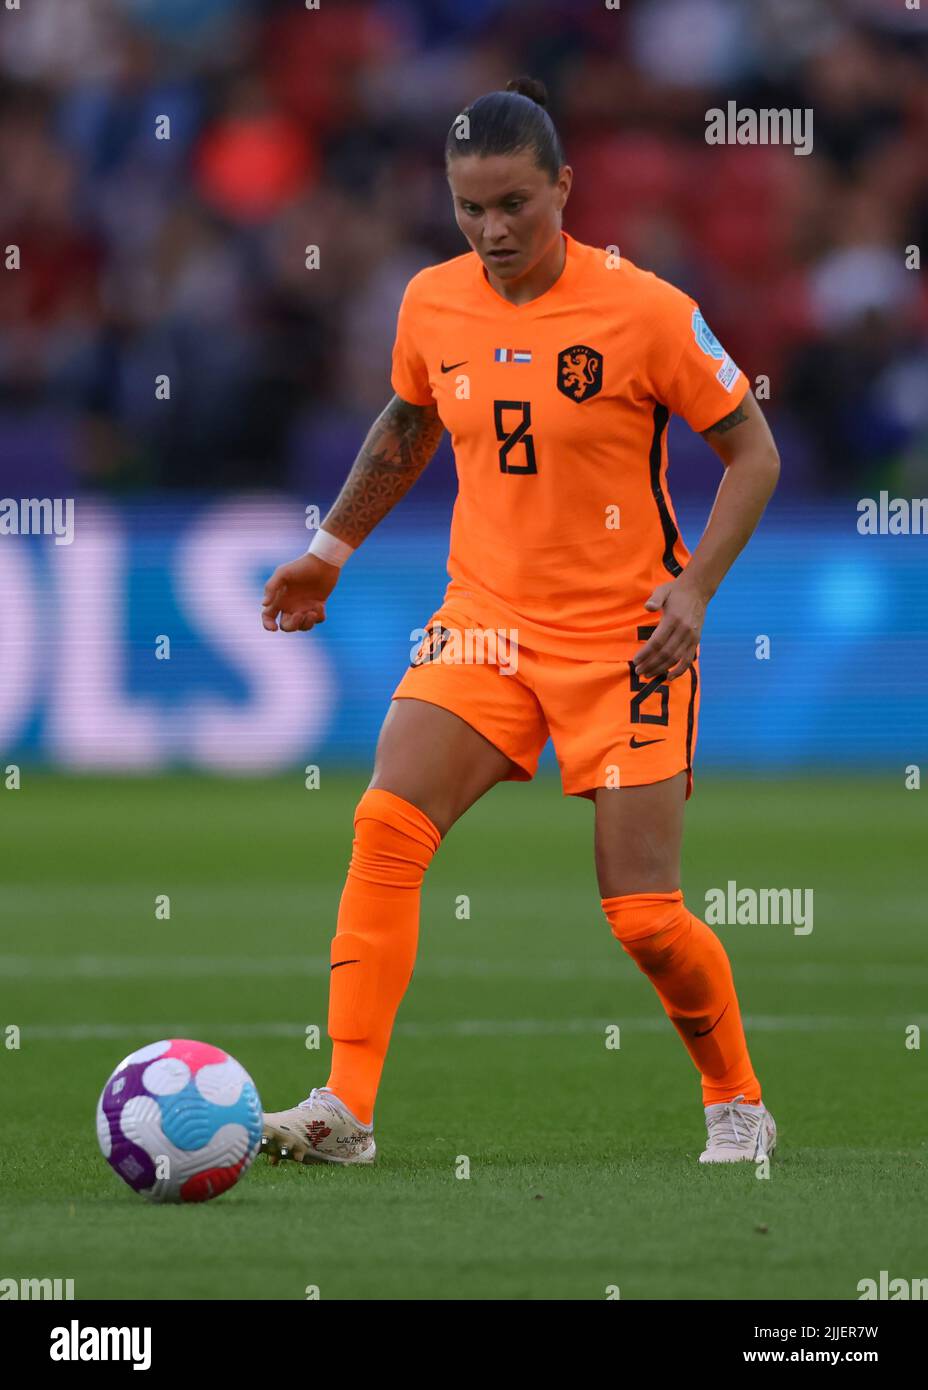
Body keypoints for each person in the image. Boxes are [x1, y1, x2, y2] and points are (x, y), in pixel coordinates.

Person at [260, 77, 780, 1166]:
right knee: (384, 829)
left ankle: (734, 1095)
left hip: (625, 637)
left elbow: (752, 452)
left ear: (564, 190)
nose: (492, 231)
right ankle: (345, 1108)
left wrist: (693, 592)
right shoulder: (431, 303)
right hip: (484, 621)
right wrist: (328, 551)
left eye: (514, 205)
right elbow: (408, 423)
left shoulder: (643, 309)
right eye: (470, 208)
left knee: (641, 916)